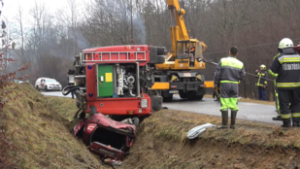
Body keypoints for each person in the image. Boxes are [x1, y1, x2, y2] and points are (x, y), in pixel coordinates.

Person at [269, 38, 300, 127]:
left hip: (283, 87)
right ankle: (296, 123)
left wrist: (276, 76)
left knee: (284, 104)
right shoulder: (298, 57)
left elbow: (271, 71)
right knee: (296, 104)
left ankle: (286, 124)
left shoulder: (280, 58)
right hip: (297, 86)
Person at [214, 47, 246, 129]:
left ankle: (224, 125)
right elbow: (243, 75)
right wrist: (237, 79)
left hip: (224, 84)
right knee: (234, 104)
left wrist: (216, 84)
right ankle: (232, 125)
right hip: (235, 85)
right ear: (237, 54)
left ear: (229, 52)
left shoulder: (223, 60)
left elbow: (217, 74)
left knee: (224, 103)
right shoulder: (240, 63)